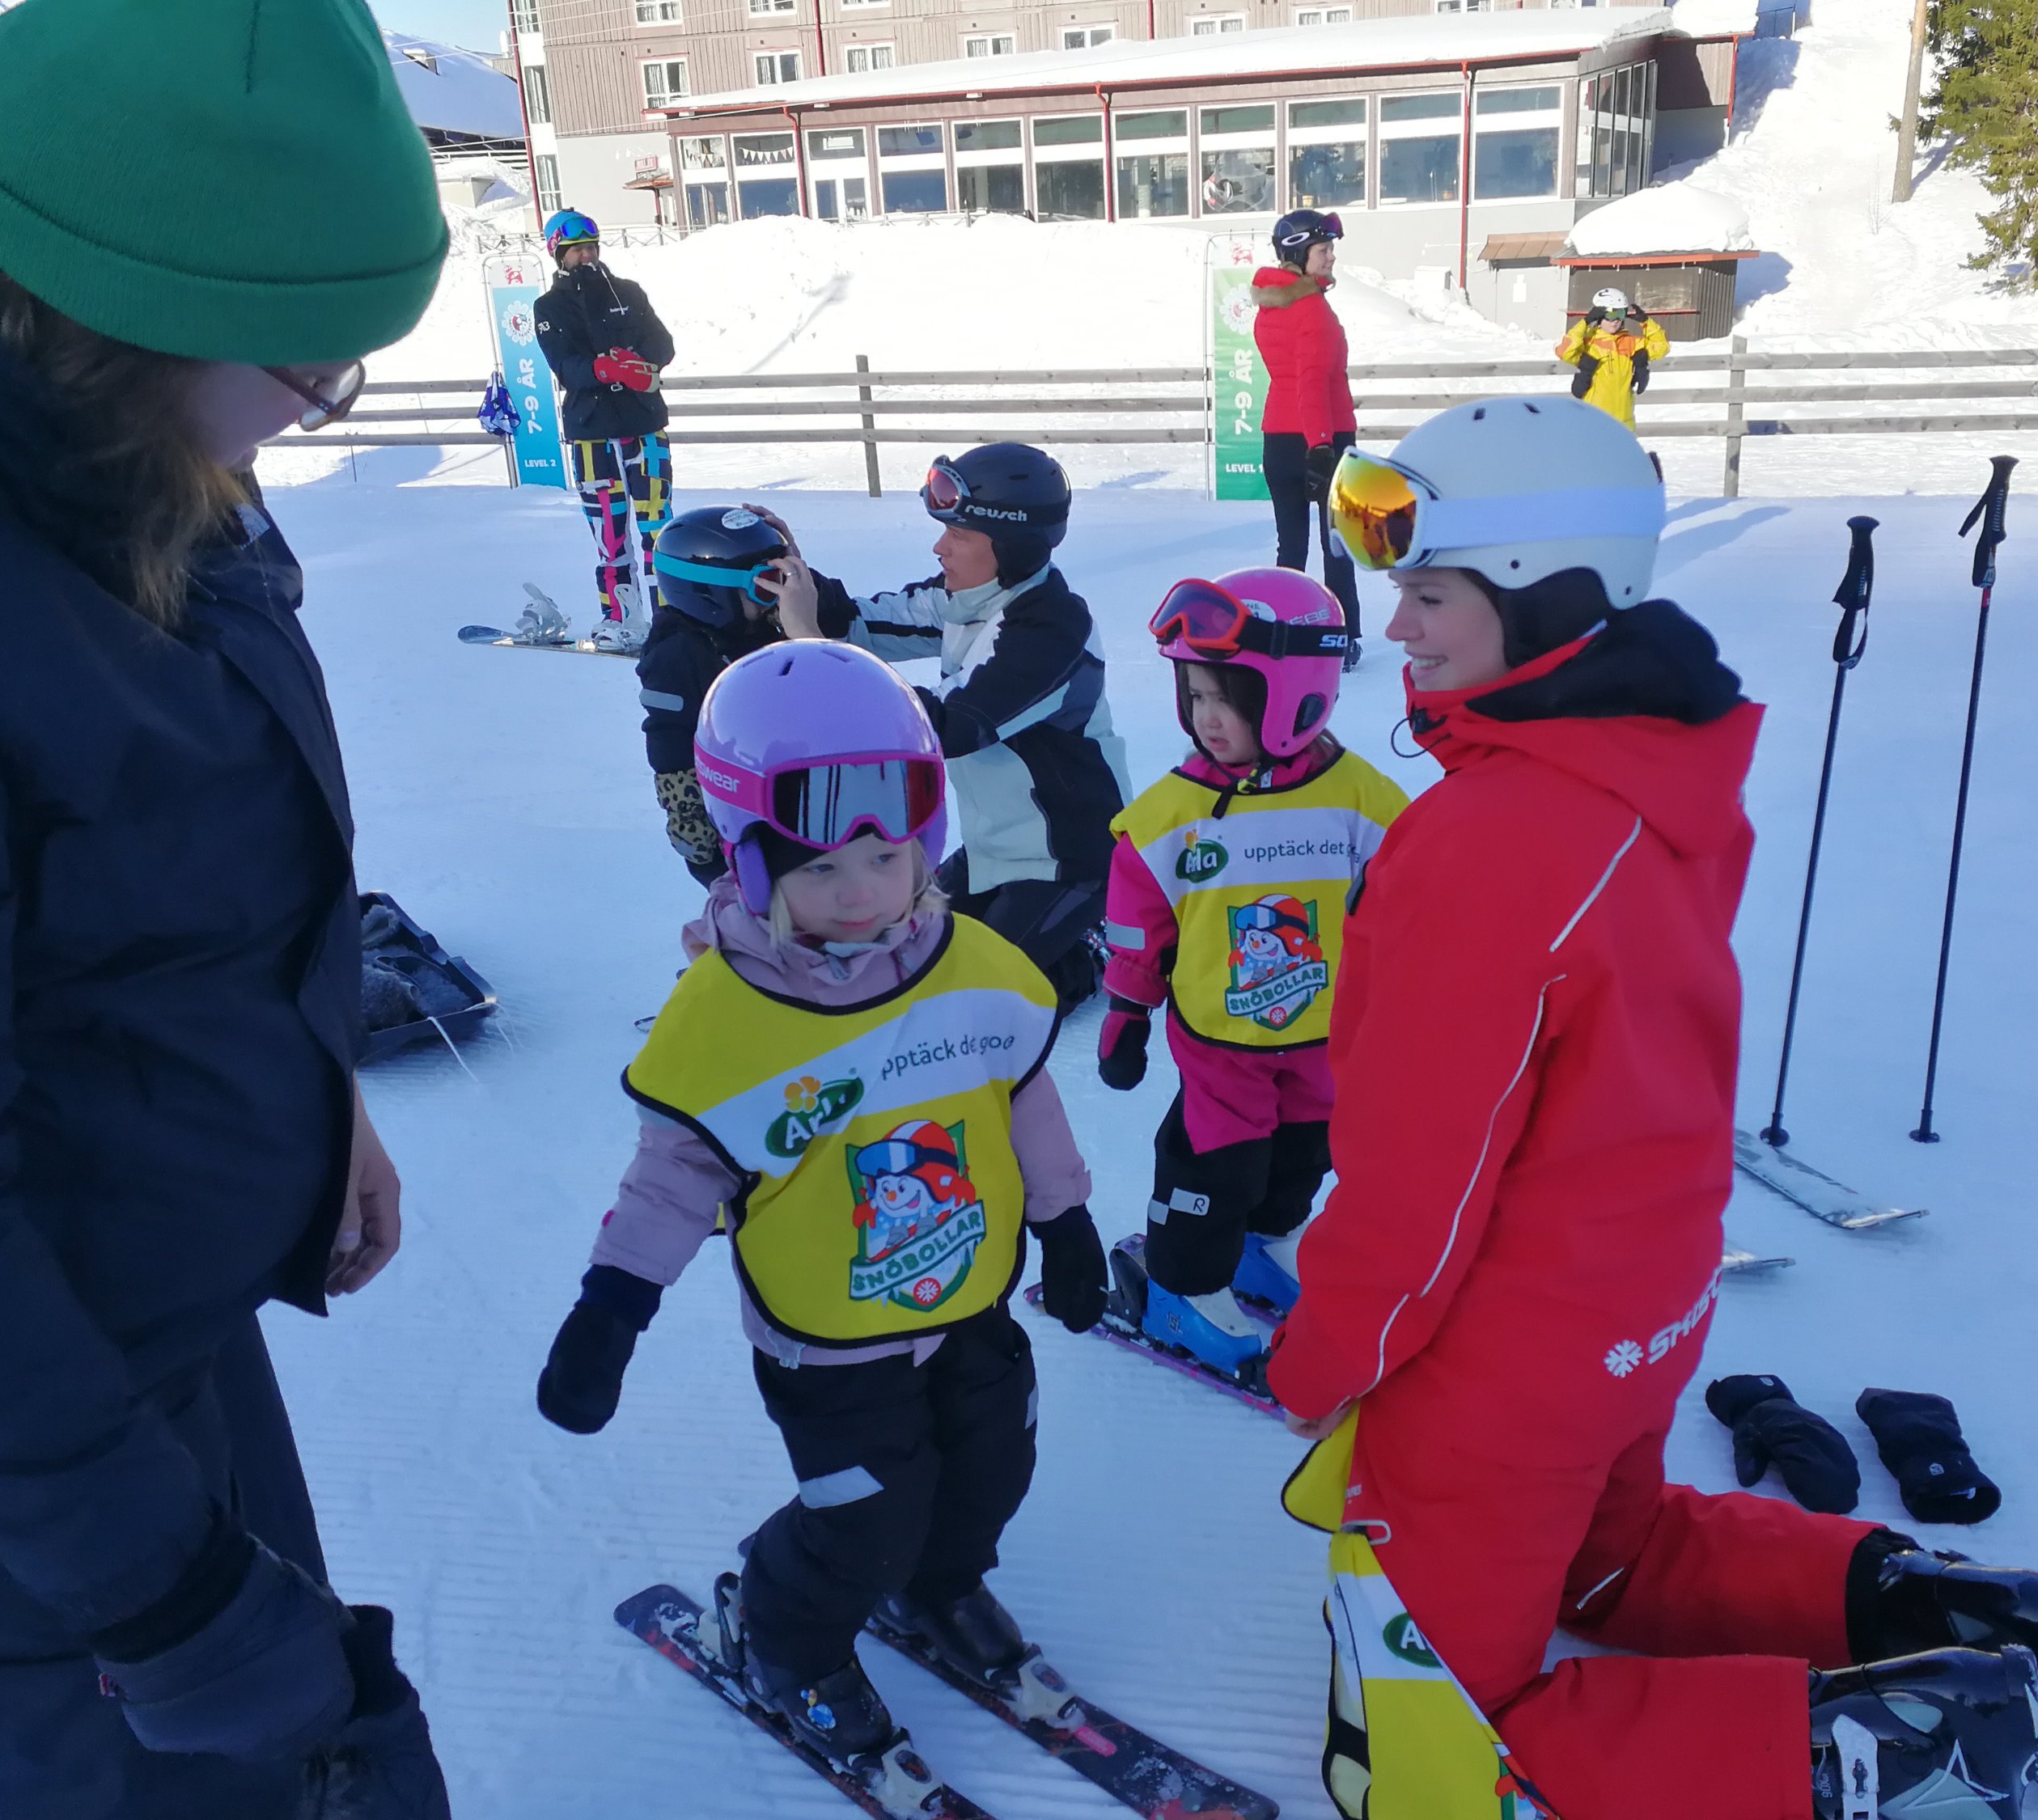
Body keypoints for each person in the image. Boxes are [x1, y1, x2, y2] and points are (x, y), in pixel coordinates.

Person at [1266, 398, 2038, 1820]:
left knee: (1422, 1766)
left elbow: (1424, 1175)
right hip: (1639, 1312)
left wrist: (1327, 1357)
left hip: (1497, 1369)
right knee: (1610, 1562)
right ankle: (1962, 1612)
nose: (1397, 626)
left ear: (1542, 593)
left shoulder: (1486, 839)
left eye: (1431, 593)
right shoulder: (1652, 766)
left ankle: (1915, 1742)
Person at [0, 4, 457, 1817]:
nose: (313, 411)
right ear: (123, 315)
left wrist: (309, 1084)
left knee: (340, 1759)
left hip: (143, 1331)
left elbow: (175, 870)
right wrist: (170, 1601)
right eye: (309, 370)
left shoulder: (106, 442)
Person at [533, 642, 1111, 1792]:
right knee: (865, 1514)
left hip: (968, 1296)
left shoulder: (970, 965)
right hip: (830, 1340)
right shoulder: (725, 1019)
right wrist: (612, 1307)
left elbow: (1023, 1095)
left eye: (889, 857)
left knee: (992, 1464)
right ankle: (784, 1635)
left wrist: (1067, 1220)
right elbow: (671, 1181)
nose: (864, 892)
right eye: (823, 867)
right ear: (749, 861)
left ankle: (939, 1584)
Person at [1093, 569, 1405, 1382]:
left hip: (1325, 1036)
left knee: (1306, 1150)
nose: (1206, 718)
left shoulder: (1361, 800)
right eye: (1195, 696)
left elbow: (1410, 900)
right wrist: (1127, 1014)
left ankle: (1267, 1243)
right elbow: (1138, 929)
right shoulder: (1171, 816)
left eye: (1227, 699)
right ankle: (1183, 1287)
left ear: (1299, 697)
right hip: (1220, 1042)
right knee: (1216, 1165)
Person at [769, 443, 1133, 1017]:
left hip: (1069, 862)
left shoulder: (1049, 630)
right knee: (897, 955)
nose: (940, 547)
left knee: (985, 1002)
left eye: (959, 534)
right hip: (993, 850)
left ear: (1011, 546)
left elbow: (946, 727)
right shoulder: (968, 598)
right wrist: (793, 575)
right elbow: (860, 622)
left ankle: (1096, 945)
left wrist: (811, 647)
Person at [637, 502, 853, 880]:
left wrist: (804, 580)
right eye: (767, 582)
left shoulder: (771, 624)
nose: (782, 593)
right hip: (741, 835)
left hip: (812, 804)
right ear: (708, 594)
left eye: (785, 576)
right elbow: (670, 741)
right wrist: (696, 834)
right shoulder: (677, 657)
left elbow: (840, 617)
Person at [532, 209, 676, 654]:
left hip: (643, 428)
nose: (587, 256)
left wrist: (639, 363)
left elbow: (663, 343)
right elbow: (565, 365)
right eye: (576, 250)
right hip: (592, 434)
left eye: (591, 248)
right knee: (609, 536)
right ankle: (619, 616)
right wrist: (603, 368)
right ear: (558, 253)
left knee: (659, 528)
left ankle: (672, 618)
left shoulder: (628, 292)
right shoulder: (549, 307)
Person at [1252, 210, 1363, 665]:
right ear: (1299, 254)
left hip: (1279, 439)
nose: (1331, 257)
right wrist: (1320, 446)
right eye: (1324, 249)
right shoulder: (1311, 307)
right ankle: (1343, 636)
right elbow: (1312, 380)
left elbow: (1293, 376)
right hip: (1322, 436)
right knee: (1337, 544)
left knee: (1291, 544)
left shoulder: (1270, 305)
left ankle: (1282, 630)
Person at [1553, 286, 1668, 434]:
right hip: (1594, 422)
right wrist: (1585, 322)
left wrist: (1646, 322)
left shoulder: (1631, 344)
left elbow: (1662, 347)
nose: (1616, 321)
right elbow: (1564, 351)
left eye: (1620, 314)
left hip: (1624, 423)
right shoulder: (1588, 344)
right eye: (1611, 314)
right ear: (1599, 315)